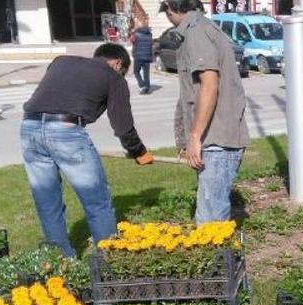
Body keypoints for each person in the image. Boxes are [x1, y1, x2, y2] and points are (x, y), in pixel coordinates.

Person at [21, 43, 154, 257]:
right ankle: (109, 260)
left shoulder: (60, 62)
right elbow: (122, 126)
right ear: (118, 63)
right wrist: (139, 152)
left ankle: (63, 263)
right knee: (97, 202)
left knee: (47, 202)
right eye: (123, 71)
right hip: (66, 131)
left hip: (29, 127)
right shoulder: (114, 78)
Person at [160, 0, 250, 224]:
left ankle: (222, 259)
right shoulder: (203, 28)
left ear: (171, 8)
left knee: (210, 221)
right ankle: (223, 257)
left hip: (217, 140)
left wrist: (194, 137)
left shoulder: (197, 32)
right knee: (212, 215)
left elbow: (209, 85)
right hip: (216, 139)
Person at [131, 17, 153, 94]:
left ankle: (142, 84)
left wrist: (133, 32)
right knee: (146, 73)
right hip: (147, 56)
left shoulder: (136, 34)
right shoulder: (149, 34)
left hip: (138, 56)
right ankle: (147, 87)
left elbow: (132, 41)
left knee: (136, 71)